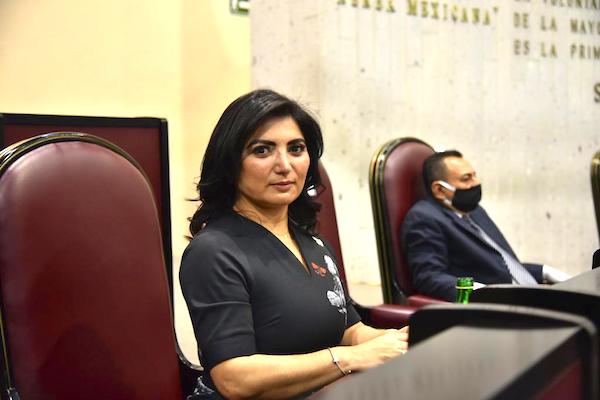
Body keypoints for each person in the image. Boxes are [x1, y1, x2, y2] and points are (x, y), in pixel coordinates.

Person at [180, 89, 409, 399]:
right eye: (262, 150)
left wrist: (403, 342)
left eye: (296, 148)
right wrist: (349, 359)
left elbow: (349, 330)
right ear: (230, 163)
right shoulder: (214, 251)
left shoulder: (312, 241)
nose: (284, 165)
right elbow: (234, 378)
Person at [401, 150, 571, 302]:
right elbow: (429, 278)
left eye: (474, 175)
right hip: (496, 307)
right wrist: (483, 293)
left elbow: (500, 266)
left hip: (526, 293)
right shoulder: (424, 218)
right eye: (466, 179)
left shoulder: (474, 211)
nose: (476, 183)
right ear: (439, 190)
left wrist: (545, 271)